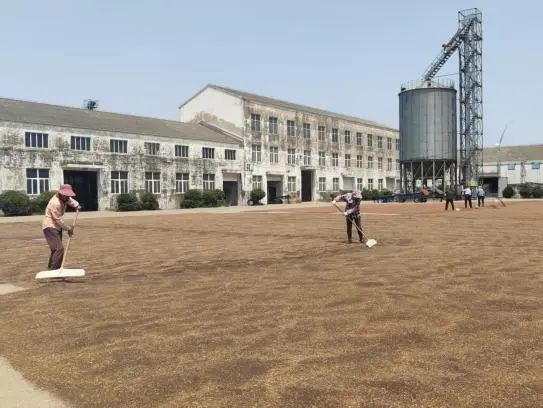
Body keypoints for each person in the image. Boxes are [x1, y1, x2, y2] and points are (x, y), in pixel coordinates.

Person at [42, 184, 81, 270]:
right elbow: (58, 220)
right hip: (50, 226)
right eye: (66, 195)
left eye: (68, 195)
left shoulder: (64, 198)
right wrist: (68, 229)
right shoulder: (55, 203)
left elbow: (70, 201)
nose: (67, 197)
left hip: (57, 227)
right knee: (59, 248)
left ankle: (51, 267)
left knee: (55, 249)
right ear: (61, 193)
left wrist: (77, 205)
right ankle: (54, 269)